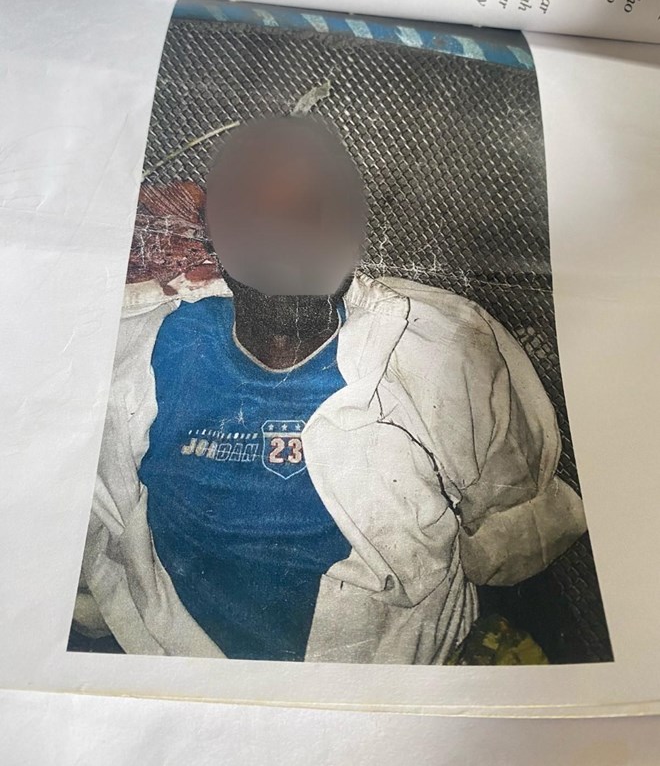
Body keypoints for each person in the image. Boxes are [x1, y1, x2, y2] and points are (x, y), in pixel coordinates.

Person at [73, 116, 586, 664]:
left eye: (312, 206)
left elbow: (517, 522)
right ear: (211, 229)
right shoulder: (143, 355)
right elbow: (93, 538)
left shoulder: (440, 350)